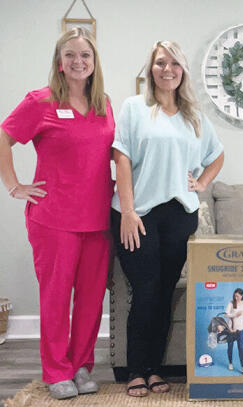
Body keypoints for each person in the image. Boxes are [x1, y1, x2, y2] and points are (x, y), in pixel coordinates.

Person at [0, 28, 114, 399]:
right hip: (54, 220)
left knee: (91, 300)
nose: (78, 62)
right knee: (55, 297)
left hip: (98, 220)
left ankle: (81, 367)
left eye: (85, 55)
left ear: (95, 62)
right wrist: (14, 184)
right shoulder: (41, 101)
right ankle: (56, 371)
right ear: (59, 62)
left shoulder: (104, 104)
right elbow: (4, 134)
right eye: (70, 55)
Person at [111, 40, 224, 397]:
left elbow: (217, 156)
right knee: (144, 292)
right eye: (160, 62)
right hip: (138, 215)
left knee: (162, 295)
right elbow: (122, 158)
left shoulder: (195, 117)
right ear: (151, 69)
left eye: (174, 63)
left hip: (180, 215)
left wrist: (201, 182)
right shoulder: (134, 108)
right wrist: (127, 211)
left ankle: (155, 370)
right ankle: (135, 371)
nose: (167, 69)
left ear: (183, 71)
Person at [225, 288, 243, 374]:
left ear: (241, 296)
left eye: (238, 296)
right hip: (231, 330)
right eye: (235, 296)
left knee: (241, 348)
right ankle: (230, 363)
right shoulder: (231, 303)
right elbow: (226, 315)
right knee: (230, 347)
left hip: (241, 330)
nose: (236, 298)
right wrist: (235, 314)